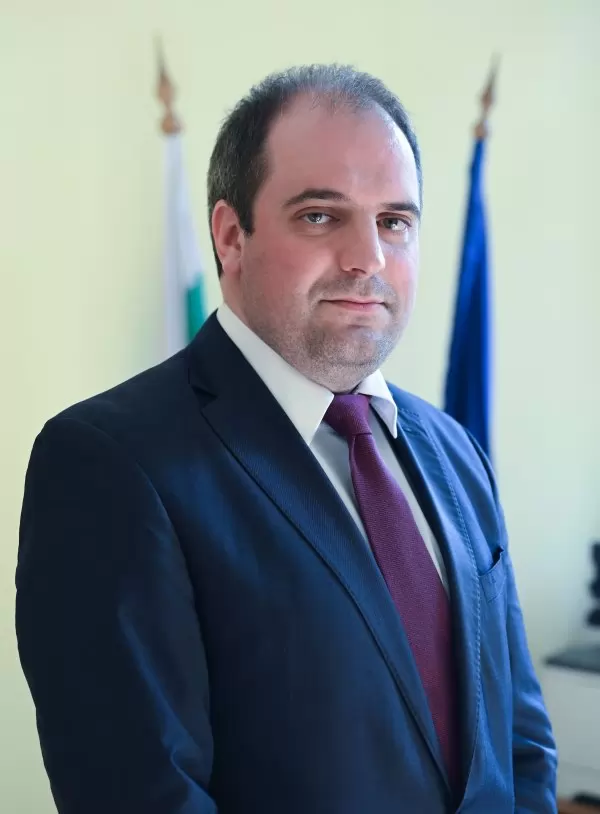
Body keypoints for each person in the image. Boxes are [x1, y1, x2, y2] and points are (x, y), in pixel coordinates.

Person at [16, 64, 557, 813]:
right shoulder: (109, 464)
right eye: (321, 216)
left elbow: (520, 747)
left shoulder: (455, 452)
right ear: (230, 235)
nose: (369, 258)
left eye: (395, 221)